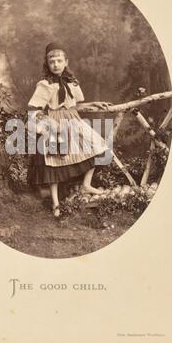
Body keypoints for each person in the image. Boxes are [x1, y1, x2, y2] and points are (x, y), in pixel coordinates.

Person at [27, 42, 109, 218]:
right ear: (47, 64)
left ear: (66, 62)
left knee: (94, 145)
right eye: (52, 61)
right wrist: (46, 124)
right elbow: (35, 109)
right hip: (54, 123)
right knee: (53, 161)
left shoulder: (72, 82)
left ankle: (86, 184)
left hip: (73, 120)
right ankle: (56, 203)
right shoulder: (45, 84)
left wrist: (94, 104)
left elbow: (76, 105)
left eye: (59, 60)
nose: (56, 64)